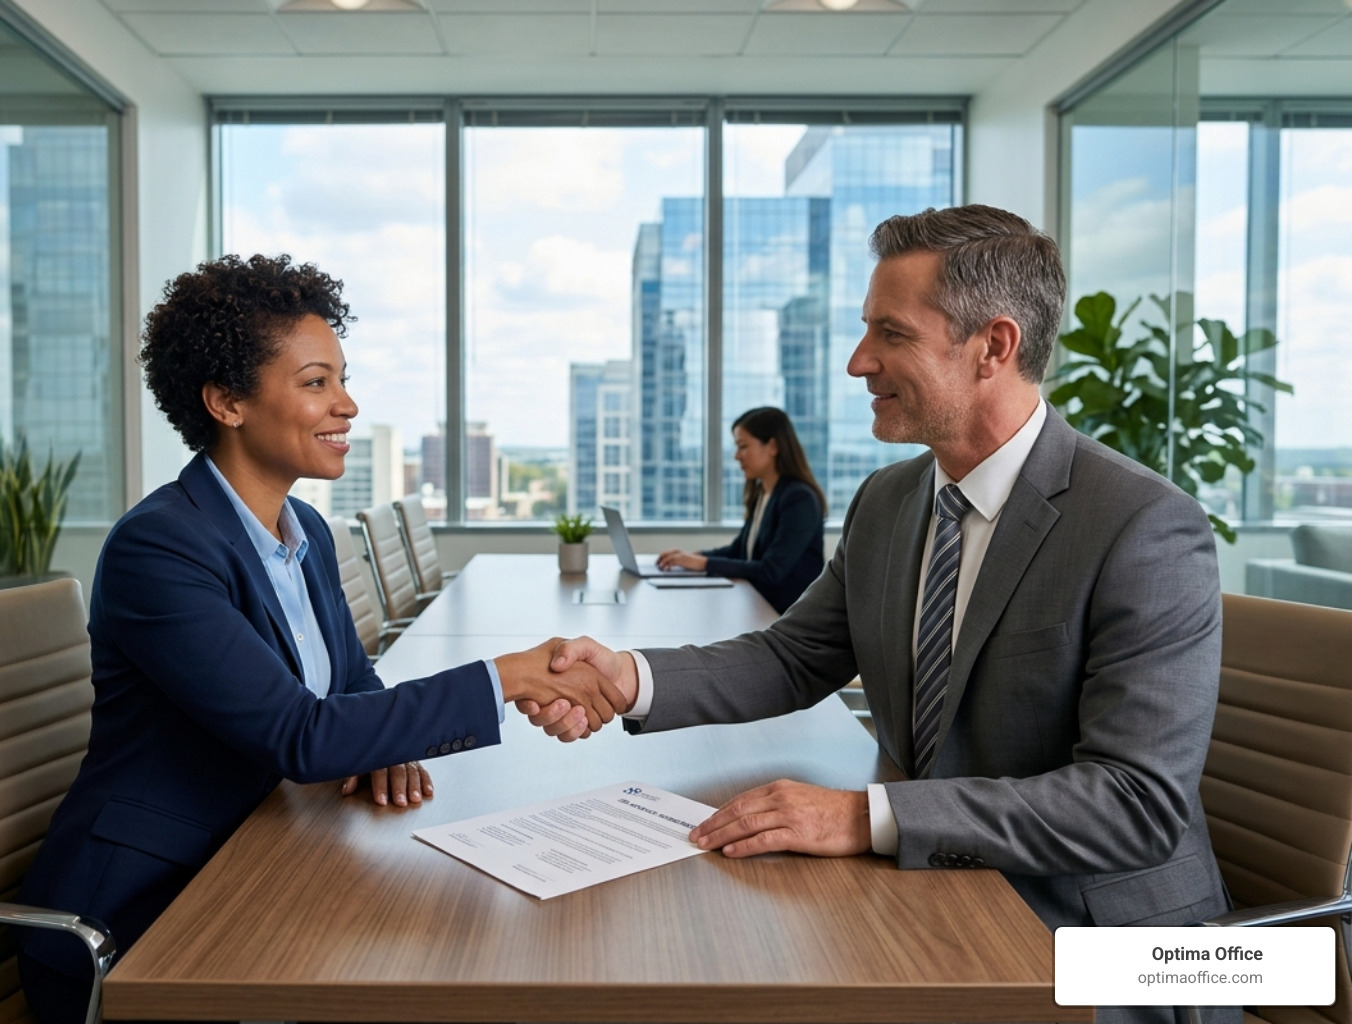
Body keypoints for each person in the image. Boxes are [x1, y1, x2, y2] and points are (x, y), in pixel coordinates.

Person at [527, 206, 1234, 1024]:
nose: (859, 361)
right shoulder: (891, 500)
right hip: (947, 893)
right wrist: (630, 679)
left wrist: (865, 815)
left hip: (1107, 939)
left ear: (993, 348)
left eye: (891, 335)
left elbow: (1134, 804)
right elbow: (794, 658)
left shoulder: (1141, 525)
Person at [14, 254, 624, 1024]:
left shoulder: (302, 529)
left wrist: (376, 740)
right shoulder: (161, 549)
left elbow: (352, 685)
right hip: (146, 915)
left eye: (341, 378)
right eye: (315, 383)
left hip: (264, 854)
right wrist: (506, 677)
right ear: (227, 402)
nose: (348, 404)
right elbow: (299, 734)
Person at [656, 406, 825, 612]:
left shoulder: (799, 499)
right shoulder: (763, 493)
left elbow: (772, 570)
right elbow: (739, 551)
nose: (737, 456)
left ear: (772, 446)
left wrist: (702, 563)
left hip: (785, 615)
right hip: (758, 606)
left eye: (743, 446)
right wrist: (690, 557)